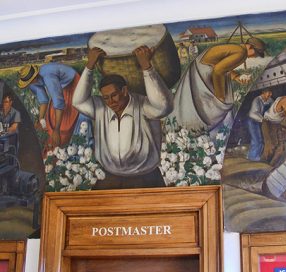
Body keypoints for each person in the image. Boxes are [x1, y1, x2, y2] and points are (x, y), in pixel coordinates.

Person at [72, 46, 174, 189]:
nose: (110, 101)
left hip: (145, 179)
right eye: (106, 97)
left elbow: (164, 106)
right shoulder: (100, 107)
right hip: (109, 177)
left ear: (124, 91)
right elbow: (78, 101)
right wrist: (89, 66)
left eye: (114, 95)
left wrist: (146, 67)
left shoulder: (143, 105)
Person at [171, 37, 267, 133]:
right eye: (256, 53)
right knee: (213, 106)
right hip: (204, 72)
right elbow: (218, 71)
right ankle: (197, 129)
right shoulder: (242, 53)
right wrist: (220, 96)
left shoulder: (237, 48)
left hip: (201, 68)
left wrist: (236, 77)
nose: (255, 57)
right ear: (250, 47)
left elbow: (223, 66)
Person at [17, 63, 92, 148]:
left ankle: (65, 144)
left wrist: (57, 130)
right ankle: (52, 145)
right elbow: (43, 100)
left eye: (30, 81)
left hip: (73, 83)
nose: (30, 84)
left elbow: (59, 102)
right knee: (50, 119)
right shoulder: (33, 83)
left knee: (65, 124)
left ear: (35, 77)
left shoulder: (49, 77)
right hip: (60, 87)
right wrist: (41, 119)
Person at [262, 88, 286, 165]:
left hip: (276, 124)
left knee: (280, 149)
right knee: (270, 147)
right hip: (268, 123)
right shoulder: (285, 100)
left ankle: (271, 167)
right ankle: (261, 166)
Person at [247, 89, 273, 161]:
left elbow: (272, 109)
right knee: (257, 141)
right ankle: (253, 159)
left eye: (271, 92)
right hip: (252, 121)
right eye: (269, 92)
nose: (270, 94)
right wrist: (263, 120)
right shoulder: (257, 100)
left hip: (261, 122)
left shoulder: (270, 100)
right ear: (263, 92)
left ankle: (254, 157)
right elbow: (253, 113)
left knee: (260, 141)